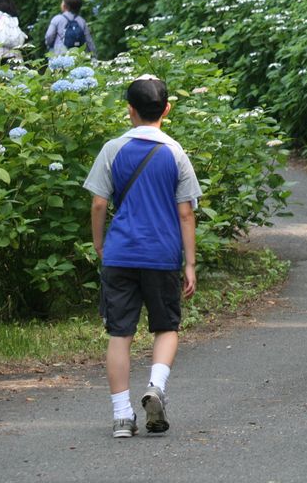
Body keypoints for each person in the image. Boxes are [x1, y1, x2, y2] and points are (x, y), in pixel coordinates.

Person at [84, 75, 202, 438]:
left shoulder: (112, 149)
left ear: (130, 110)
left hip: (120, 253)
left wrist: (100, 244)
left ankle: (121, 417)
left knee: (119, 333)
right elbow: (186, 213)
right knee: (166, 327)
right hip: (161, 254)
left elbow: (99, 202)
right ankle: (155, 387)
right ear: (166, 109)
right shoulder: (174, 152)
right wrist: (189, 263)